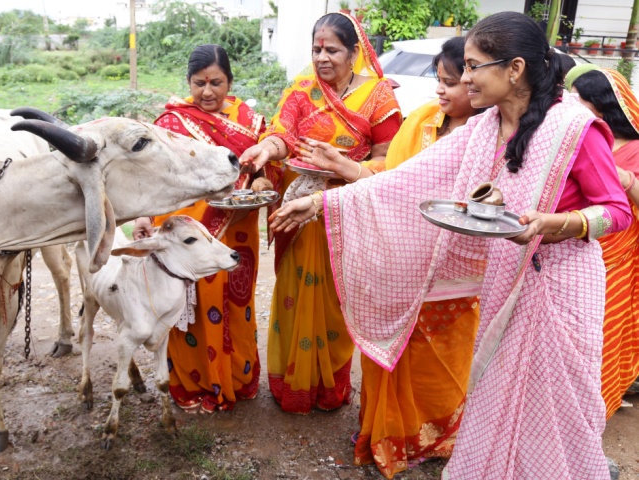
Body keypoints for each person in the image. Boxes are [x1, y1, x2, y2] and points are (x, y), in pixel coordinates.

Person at [271, 12, 631, 478]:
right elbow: (405, 182)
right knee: (497, 394)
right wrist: (324, 203)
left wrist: (558, 223)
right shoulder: (484, 129)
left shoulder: (573, 129)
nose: (463, 79)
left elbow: (616, 212)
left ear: (514, 69)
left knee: (553, 403)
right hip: (506, 279)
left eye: (473, 66)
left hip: (560, 285)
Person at [238, 12, 402, 414]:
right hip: (299, 212)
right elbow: (282, 134)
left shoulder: (380, 95)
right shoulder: (302, 90)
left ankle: (330, 385)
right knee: (295, 295)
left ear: (355, 52)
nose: (322, 57)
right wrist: (267, 149)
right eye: (316, 49)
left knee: (337, 299)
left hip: (349, 211)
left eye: (332, 49)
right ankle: (292, 384)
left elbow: (391, 159)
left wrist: (345, 168)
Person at [352, 36, 483, 478]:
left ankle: (436, 434)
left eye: (453, 82)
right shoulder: (425, 118)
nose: (442, 91)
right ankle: (388, 431)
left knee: (440, 354)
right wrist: (350, 170)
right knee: (396, 346)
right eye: (440, 81)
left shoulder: (492, 135)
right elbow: (395, 178)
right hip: (403, 255)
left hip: (457, 267)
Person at [134, 44, 265, 413]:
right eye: (199, 83)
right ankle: (192, 380)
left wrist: (260, 182)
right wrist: (144, 215)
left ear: (230, 81)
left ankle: (235, 378)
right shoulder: (171, 123)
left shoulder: (251, 122)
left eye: (216, 82)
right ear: (189, 83)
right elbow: (152, 178)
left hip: (236, 227)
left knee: (237, 304)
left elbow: (264, 168)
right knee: (184, 304)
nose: (207, 92)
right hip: (185, 231)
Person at [570, 67, 639, 418]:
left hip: (616, 257)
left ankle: (592, 413)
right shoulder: (579, 136)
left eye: (578, 98)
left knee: (603, 338)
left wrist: (625, 179)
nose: (570, 103)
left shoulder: (635, 149)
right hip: (576, 247)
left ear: (601, 105)